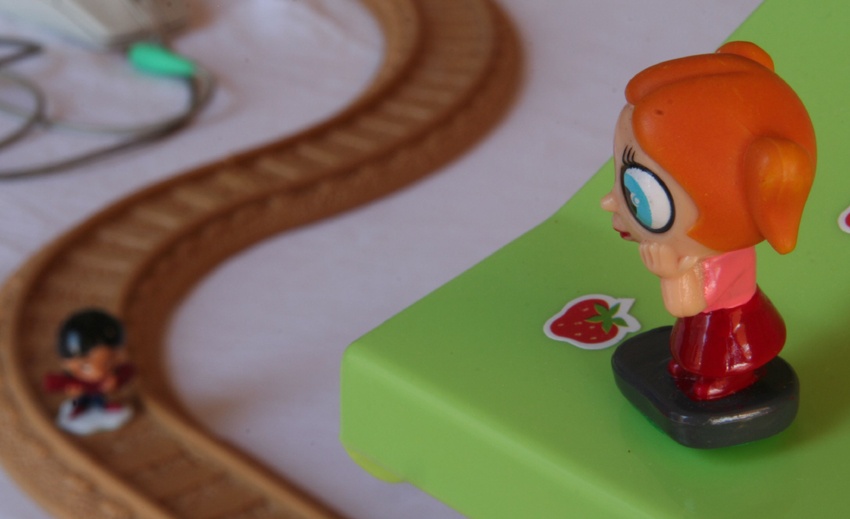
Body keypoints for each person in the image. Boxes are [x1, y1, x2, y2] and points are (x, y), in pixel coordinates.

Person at [601, 41, 816, 400]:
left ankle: (730, 379)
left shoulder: (720, 258)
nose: (609, 201)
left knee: (717, 354)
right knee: (693, 346)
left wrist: (671, 274)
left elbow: (684, 305)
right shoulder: (707, 252)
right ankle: (694, 367)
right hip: (713, 320)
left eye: (637, 192)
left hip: (731, 324)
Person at [43, 309, 135, 435]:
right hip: (84, 398)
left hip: (101, 397)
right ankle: (79, 411)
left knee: (101, 402)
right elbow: (53, 384)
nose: (99, 372)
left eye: (108, 363)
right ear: (66, 364)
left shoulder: (119, 371)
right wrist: (74, 393)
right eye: (85, 367)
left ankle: (103, 408)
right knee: (79, 403)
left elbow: (127, 373)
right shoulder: (73, 379)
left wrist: (114, 384)